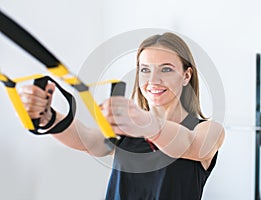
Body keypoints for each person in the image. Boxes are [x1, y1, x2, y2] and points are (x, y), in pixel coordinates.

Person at [20, 32, 225, 200]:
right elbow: (87, 140)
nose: (154, 80)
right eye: (145, 70)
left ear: (186, 76)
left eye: (166, 69)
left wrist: (143, 122)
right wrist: (48, 117)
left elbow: (189, 145)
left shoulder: (208, 130)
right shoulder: (129, 126)